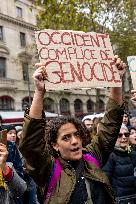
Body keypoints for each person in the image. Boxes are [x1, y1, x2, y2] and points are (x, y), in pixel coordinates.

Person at [19, 56, 125, 204]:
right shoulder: (48, 169)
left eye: (76, 135)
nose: (75, 141)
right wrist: (39, 91)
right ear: (54, 144)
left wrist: (117, 81)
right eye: (66, 138)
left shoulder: (92, 157)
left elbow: (111, 122)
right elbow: (30, 143)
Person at [103, 124, 136, 204]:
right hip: (120, 200)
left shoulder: (133, 153)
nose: (124, 137)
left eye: (126, 134)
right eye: (119, 135)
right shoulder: (109, 156)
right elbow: (105, 182)